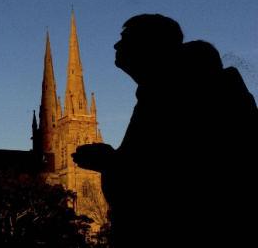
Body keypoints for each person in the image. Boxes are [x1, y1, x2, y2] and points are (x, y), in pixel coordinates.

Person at [72, 14, 257, 247]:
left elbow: (171, 183)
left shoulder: (181, 98)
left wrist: (111, 162)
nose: (116, 45)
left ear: (152, 46)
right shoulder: (159, 94)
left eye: (126, 39)